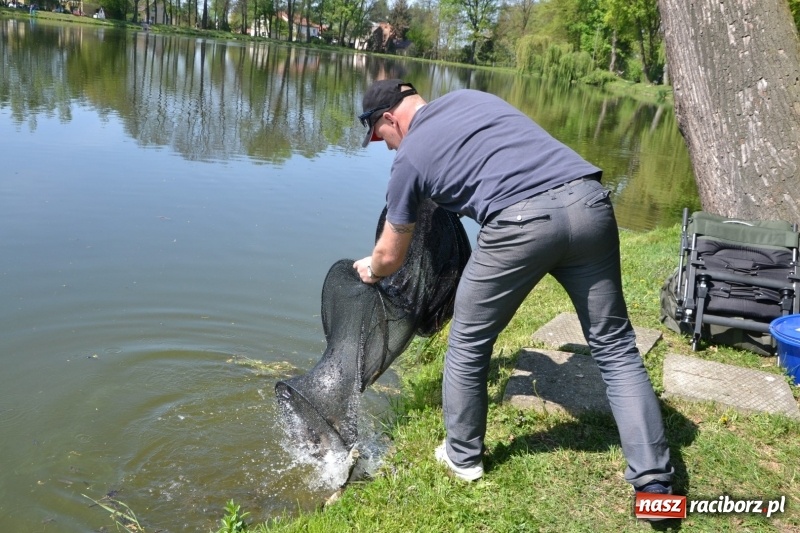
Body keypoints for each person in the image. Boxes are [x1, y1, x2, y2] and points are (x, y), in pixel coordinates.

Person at [352, 79, 673, 494]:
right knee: (614, 345)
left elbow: (391, 255)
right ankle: (654, 483)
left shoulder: (409, 157)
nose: (389, 147)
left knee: (469, 340)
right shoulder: (472, 99)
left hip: (520, 223)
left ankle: (462, 457)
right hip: (590, 201)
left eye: (382, 138)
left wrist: (373, 270)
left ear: (390, 118)